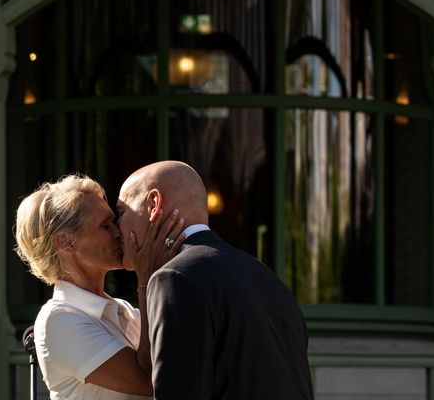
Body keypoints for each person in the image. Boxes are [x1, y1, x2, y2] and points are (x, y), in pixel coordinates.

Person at [116, 161, 314, 400]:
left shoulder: (174, 278)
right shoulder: (267, 277)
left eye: (121, 212)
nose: (116, 228)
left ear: (153, 205)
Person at [14, 174, 184, 400]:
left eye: (115, 221)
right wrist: (148, 274)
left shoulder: (122, 310)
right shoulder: (58, 319)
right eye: (105, 226)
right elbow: (152, 380)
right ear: (66, 242)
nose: (118, 232)